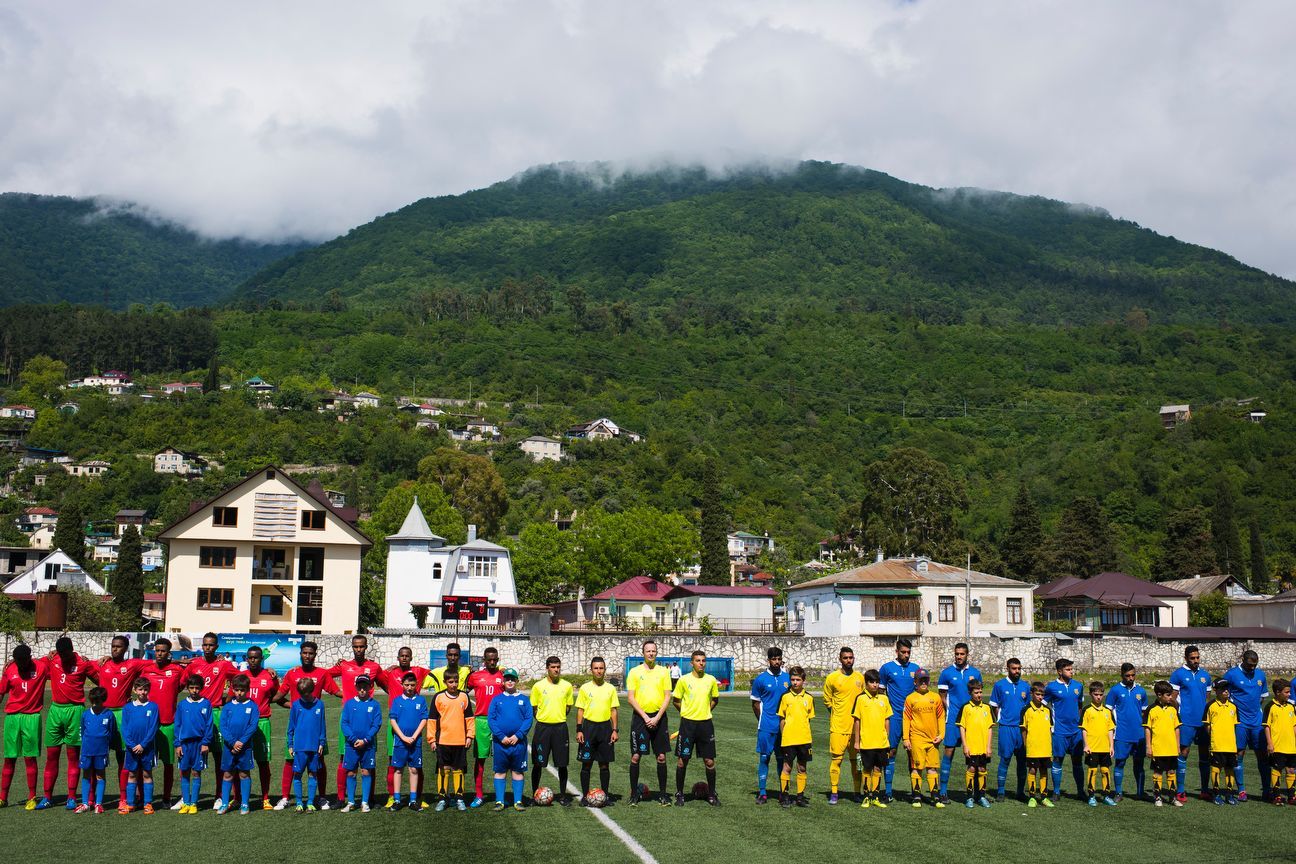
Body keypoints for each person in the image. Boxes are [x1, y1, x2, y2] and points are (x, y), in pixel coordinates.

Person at [274, 641, 340, 809]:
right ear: (300, 653)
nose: (307, 656)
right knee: (290, 761)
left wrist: (355, 698)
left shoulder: (322, 674)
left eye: (311, 653)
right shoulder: (292, 673)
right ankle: (285, 797)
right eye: (305, 653)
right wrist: (262, 700)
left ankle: (322, 797)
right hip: (298, 726)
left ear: (315, 655)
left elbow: (336, 692)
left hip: (315, 726)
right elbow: (280, 695)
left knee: (320, 761)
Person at [41, 636, 98, 810]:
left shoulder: (83, 663)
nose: (63, 657)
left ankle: (72, 797)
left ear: (71, 650)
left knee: (73, 757)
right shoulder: (52, 660)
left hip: (75, 711)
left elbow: (103, 679)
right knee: (51, 756)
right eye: (61, 653)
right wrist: (12, 660)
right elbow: (31, 663)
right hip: (55, 711)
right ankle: (47, 797)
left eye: (66, 653)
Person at [182, 631, 238, 809]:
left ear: (217, 647)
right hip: (194, 715)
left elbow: (240, 679)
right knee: (189, 755)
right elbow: (181, 681)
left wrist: (227, 699)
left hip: (214, 712)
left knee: (219, 756)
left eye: (211, 645)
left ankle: (220, 795)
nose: (207, 648)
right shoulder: (194, 664)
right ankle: (187, 797)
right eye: (205, 645)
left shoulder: (223, 665)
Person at [328, 635, 383, 806]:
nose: (358, 650)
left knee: (369, 761)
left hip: (368, 721)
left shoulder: (374, 667)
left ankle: (369, 798)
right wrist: (338, 693)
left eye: (361, 647)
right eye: (355, 647)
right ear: (352, 647)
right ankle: (341, 797)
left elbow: (388, 682)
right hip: (349, 720)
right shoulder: (344, 665)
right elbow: (324, 675)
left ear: (366, 647)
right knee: (343, 758)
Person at [95, 635, 150, 808]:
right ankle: (93, 800)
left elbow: (156, 663)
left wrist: (188, 660)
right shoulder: (102, 664)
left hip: (121, 714)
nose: (114, 649)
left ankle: (124, 798)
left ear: (125, 649)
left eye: (118, 647)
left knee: (123, 758)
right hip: (102, 714)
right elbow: (82, 663)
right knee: (96, 757)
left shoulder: (132, 664)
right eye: (113, 646)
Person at [380, 646, 430, 809]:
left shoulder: (418, 672)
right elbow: (376, 678)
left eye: (407, 656)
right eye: (401, 655)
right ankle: (393, 797)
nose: (404, 658)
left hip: (415, 734)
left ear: (411, 657)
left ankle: (416, 797)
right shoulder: (390, 674)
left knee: (415, 767)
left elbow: (435, 673)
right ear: (397, 657)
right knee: (394, 763)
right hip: (397, 729)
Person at [1, 644, 49, 809]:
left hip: (32, 718)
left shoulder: (41, 666)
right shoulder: (10, 669)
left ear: (30, 657)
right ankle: (2, 797)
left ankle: (31, 797)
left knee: (30, 758)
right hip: (12, 718)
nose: (21, 664)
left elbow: (58, 659)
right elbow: (2, 692)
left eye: (24, 660)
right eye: (18, 661)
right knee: (9, 759)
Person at [140, 637, 186, 809]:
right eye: (157, 650)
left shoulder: (176, 670)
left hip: (169, 724)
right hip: (148, 725)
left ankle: (167, 797)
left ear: (169, 653)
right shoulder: (147, 670)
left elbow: (182, 685)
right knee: (145, 763)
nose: (159, 653)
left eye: (163, 651)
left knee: (169, 764)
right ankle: (144, 798)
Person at [626, 639, 673, 806]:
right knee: (636, 757)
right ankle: (633, 794)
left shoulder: (664, 672)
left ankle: (662, 795)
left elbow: (668, 696)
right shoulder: (634, 672)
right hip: (640, 719)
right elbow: (631, 697)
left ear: (656, 653)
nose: (651, 653)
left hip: (659, 719)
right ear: (643, 653)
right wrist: (646, 717)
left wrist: (657, 717)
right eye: (648, 651)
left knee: (661, 757)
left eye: (653, 651)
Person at [672, 650, 721, 806]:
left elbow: (715, 699)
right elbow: (676, 700)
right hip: (687, 725)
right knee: (682, 761)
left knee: (709, 761)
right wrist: (686, 713)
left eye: (703, 660)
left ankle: (712, 794)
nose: (701, 663)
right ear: (691, 663)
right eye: (698, 660)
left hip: (705, 725)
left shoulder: (711, 680)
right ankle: (679, 794)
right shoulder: (683, 680)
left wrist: (705, 711)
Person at [937, 642, 982, 804]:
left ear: (967, 654)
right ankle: (942, 791)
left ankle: (975, 793)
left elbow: (978, 693)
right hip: (953, 720)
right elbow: (942, 696)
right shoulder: (946, 673)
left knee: (973, 757)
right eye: (957, 653)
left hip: (971, 722)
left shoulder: (975, 673)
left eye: (962, 654)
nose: (959, 656)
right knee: (948, 752)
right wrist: (951, 711)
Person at [1222, 649, 1270, 801]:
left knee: (1262, 756)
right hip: (1240, 723)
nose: (1252, 668)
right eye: (1250, 665)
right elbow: (1224, 695)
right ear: (1243, 659)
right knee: (1238, 755)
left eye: (1255, 665)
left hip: (1257, 723)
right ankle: (1241, 790)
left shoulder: (1260, 675)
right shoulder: (1231, 674)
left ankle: (1267, 790)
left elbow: (1262, 698)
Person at [1168, 644, 1212, 802]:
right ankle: (1180, 790)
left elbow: (1207, 698)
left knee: (1204, 756)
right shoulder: (1178, 674)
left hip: (1202, 723)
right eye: (1192, 658)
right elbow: (1172, 698)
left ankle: (1205, 790)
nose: (1196, 660)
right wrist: (1180, 714)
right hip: (1186, 722)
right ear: (1186, 658)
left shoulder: (1205, 676)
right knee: (1183, 753)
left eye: (1197, 657)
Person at [879, 639, 920, 801]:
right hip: (894, 717)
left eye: (908, 652)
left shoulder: (916, 669)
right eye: (903, 652)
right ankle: (888, 791)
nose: (906, 655)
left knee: (913, 753)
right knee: (891, 751)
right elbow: (881, 693)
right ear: (897, 652)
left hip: (912, 718)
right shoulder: (887, 668)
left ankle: (915, 792)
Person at [822, 646, 865, 805]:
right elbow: (827, 701)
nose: (849, 660)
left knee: (857, 762)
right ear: (840, 659)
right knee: (836, 761)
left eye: (851, 657)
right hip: (838, 728)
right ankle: (834, 792)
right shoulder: (832, 678)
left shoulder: (860, 678)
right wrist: (838, 715)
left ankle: (857, 792)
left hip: (857, 729)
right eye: (845, 658)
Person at [530, 655, 575, 804]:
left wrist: (557, 717)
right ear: (547, 668)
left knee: (562, 763)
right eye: (553, 667)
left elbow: (568, 707)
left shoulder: (567, 686)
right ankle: (534, 794)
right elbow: (534, 708)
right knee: (538, 763)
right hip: (543, 728)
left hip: (560, 728)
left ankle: (562, 795)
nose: (556, 670)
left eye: (558, 667)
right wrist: (545, 718)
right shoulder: (538, 686)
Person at [576, 656, 619, 805]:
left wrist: (615, 730)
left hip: (605, 729)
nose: (598, 671)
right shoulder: (585, 688)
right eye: (596, 668)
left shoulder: (610, 688)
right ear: (591, 670)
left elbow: (613, 710)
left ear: (604, 670)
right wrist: (579, 730)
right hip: (588, 728)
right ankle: (585, 796)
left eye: (601, 668)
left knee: (604, 764)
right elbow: (580, 710)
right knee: (586, 763)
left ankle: (605, 796)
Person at [487, 668, 531, 811]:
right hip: (501, 743)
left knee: (517, 771)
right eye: (507, 679)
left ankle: (517, 801)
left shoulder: (524, 700)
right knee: (500, 771)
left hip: (518, 743)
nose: (510, 681)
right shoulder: (497, 699)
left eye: (513, 679)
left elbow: (528, 719)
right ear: (503, 682)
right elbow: (491, 719)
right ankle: (499, 801)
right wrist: (501, 736)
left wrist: (517, 736)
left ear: (517, 681)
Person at [241, 645, 279, 810]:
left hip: (262, 723)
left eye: (256, 657)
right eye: (250, 657)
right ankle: (239, 798)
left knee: (263, 763)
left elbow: (278, 694)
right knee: (240, 763)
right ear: (247, 658)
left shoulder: (269, 676)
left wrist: (289, 704)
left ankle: (265, 798)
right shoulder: (241, 677)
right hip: (242, 724)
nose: (253, 660)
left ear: (261, 659)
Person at [466, 646, 505, 807]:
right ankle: (479, 795)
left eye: (495, 659)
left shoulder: (503, 676)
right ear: (484, 660)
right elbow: (463, 694)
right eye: (489, 659)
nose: (492, 662)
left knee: (500, 760)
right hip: (481, 721)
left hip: (499, 722)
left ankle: (500, 797)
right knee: (480, 760)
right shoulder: (475, 676)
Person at [430, 667, 473, 811]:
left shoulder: (464, 697)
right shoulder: (438, 697)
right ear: (445, 682)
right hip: (443, 740)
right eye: (450, 682)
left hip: (460, 740)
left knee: (458, 768)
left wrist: (469, 736)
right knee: (444, 768)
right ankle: (442, 798)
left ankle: (459, 797)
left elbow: (469, 718)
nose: (454, 685)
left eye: (456, 682)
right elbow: (432, 720)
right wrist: (431, 739)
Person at [750, 646, 789, 804]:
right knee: (765, 758)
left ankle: (782, 792)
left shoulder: (788, 678)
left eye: (779, 659)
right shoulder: (760, 679)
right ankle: (763, 792)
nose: (777, 662)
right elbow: (755, 703)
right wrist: (762, 720)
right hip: (766, 725)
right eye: (774, 659)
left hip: (784, 726)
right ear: (769, 660)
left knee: (782, 759)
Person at [990, 657, 1031, 802]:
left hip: (1021, 729)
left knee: (1022, 761)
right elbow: (994, 705)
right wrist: (1001, 719)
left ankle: (1020, 792)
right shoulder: (999, 685)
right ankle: (1001, 792)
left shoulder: (1025, 686)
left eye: (1019, 669)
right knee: (1005, 760)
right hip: (1006, 728)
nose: (1017, 671)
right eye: (1014, 669)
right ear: (1008, 668)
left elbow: (1028, 708)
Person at [1105, 662, 1148, 801]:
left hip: (1139, 735)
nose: (1131, 678)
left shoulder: (1141, 691)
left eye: (1133, 675)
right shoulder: (1115, 690)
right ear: (1122, 675)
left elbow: (1144, 713)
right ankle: (1118, 792)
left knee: (1139, 764)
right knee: (1120, 763)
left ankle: (1140, 792)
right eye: (1127, 675)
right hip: (1122, 734)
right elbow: (1108, 711)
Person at [340, 674, 382, 812]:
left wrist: (365, 740)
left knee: (366, 772)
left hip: (368, 745)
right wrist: (353, 739)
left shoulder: (374, 705)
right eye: (360, 686)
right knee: (351, 773)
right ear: (356, 687)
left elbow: (376, 725)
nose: (362, 689)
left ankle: (364, 802)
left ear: (370, 687)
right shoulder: (349, 704)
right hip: (351, 745)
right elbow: (344, 723)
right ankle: (351, 802)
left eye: (365, 686)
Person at [1044, 658, 1085, 801]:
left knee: (1077, 761)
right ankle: (1056, 792)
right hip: (1059, 731)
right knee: (1057, 760)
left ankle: (1081, 791)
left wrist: (1079, 724)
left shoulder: (1078, 686)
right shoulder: (1051, 687)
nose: (1071, 671)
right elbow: (1043, 706)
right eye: (1068, 669)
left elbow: (1080, 705)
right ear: (1059, 671)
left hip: (1075, 731)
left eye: (1071, 669)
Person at [901, 671, 944, 807]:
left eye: (926, 680)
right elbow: (906, 719)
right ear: (915, 682)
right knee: (916, 767)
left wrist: (941, 734)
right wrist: (906, 738)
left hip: (932, 739)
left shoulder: (936, 697)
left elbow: (941, 717)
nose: (924, 682)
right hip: (916, 738)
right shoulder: (910, 699)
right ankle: (917, 796)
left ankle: (935, 797)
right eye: (921, 680)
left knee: (932, 768)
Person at [218, 674, 258, 815]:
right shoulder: (228, 707)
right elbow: (222, 726)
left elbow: (253, 726)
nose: (239, 693)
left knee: (244, 774)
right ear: (232, 690)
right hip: (229, 747)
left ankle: (245, 804)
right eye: (236, 690)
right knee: (227, 775)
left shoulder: (252, 706)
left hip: (245, 747)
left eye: (242, 690)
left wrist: (241, 742)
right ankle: (224, 804)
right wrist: (233, 742)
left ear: (247, 689)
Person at [174, 673, 214, 814]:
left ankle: (194, 803)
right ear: (188, 688)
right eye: (191, 688)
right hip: (184, 744)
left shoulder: (206, 703)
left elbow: (209, 725)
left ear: (201, 688)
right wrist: (177, 744)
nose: (194, 690)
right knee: (184, 773)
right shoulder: (182, 704)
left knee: (196, 772)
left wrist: (205, 743)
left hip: (199, 744)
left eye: (197, 688)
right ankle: (186, 802)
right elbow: (177, 725)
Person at [851, 668, 892, 808]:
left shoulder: (884, 699)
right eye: (871, 682)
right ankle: (867, 796)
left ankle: (875, 796)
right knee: (866, 769)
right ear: (866, 683)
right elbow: (857, 721)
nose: (874, 685)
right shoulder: (861, 699)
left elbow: (887, 720)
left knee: (878, 769)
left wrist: (887, 737)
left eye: (877, 682)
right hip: (866, 742)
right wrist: (856, 741)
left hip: (881, 742)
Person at [388, 672, 428, 811]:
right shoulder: (397, 701)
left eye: (412, 685)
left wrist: (414, 736)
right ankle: (397, 800)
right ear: (402, 685)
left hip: (415, 741)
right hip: (400, 741)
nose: (409, 688)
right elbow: (393, 720)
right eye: (407, 685)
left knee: (414, 769)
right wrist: (403, 737)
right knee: (398, 769)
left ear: (416, 684)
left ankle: (412, 800)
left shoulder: (421, 700)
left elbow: (424, 719)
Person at [286, 677, 327, 812]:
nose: (305, 696)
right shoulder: (296, 706)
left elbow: (322, 726)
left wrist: (322, 742)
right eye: (302, 694)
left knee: (312, 774)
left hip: (314, 747)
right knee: (297, 774)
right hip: (299, 747)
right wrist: (290, 744)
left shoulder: (319, 705)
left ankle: (310, 802)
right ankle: (299, 802)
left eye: (307, 693)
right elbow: (291, 727)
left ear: (312, 690)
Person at [120, 677, 160, 814]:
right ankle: (130, 804)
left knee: (147, 774)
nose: (143, 692)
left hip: (147, 748)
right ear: (135, 690)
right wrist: (132, 745)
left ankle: (148, 803)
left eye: (145, 689)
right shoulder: (128, 707)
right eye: (140, 689)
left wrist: (142, 744)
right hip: (131, 749)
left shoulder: (153, 707)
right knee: (132, 774)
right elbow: (124, 728)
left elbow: (153, 727)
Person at [777, 665, 814, 808]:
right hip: (789, 739)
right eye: (792, 679)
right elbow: (782, 719)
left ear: (803, 680)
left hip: (804, 739)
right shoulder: (785, 697)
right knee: (787, 767)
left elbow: (808, 718)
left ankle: (800, 797)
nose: (795, 682)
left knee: (802, 768)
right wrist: (784, 735)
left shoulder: (809, 698)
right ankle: (785, 796)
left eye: (798, 679)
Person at [75, 686, 114, 814]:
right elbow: (82, 730)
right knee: (86, 775)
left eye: (98, 701)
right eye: (94, 701)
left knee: (100, 775)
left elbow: (112, 731)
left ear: (103, 700)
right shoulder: (85, 714)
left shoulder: (108, 714)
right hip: (87, 751)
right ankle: (85, 803)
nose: (96, 704)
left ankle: (98, 804)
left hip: (101, 751)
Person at [1145, 681, 1181, 807]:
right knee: (1158, 773)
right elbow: (1148, 729)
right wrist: (1148, 746)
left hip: (1171, 748)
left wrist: (1177, 745)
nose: (1171, 697)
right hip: (1158, 748)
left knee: (1171, 772)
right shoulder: (1151, 709)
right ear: (1159, 695)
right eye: (1168, 695)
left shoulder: (1173, 709)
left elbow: (1177, 728)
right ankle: (1158, 797)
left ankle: (1173, 798)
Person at [1080, 681, 1116, 806]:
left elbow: (1110, 729)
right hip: (1092, 748)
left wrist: (1111, 746)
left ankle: (1106, 795)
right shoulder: (1087, 710)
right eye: (1096, 694)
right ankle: (1091, 796)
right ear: (1090, 694)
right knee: (1093, 771)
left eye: (1101, 694)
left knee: (1106, 770)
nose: (1099, 697)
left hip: (1105, 748)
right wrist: (1086, 745)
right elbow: (1084, 729)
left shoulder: (1107, 711)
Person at [1205, 679, 1240, 805]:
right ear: (1216, 691)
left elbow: (1234, 726)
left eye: (1227, 688)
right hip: (1217, 745)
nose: (1226, 691)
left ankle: (1229, 794)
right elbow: (1207, 726)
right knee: (1216, 769)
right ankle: (1216, 793)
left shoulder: (1233, 707)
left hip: (1230, 745)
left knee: (1230, 769)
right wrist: (1214, 738)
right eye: (1223, 689)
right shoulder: (1211, 706)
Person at [1022, 682, 1055, 808]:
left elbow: (1049, 730)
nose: (1040, 697)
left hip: (1045, 748)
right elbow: (1023, 730)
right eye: (1037, 694)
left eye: (1042, 695)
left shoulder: (1047, 710)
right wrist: (1026, 745)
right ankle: (1032, 797)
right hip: (1032, 748)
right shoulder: (1026, 710)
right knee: (1032, 770)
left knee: (1044, 771)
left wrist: (1050, 746)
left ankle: (1044, 797)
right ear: (1031, 694)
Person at [1264, 678, 1296, 805]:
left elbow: (1294, 725)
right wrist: (1269, 743)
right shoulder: (1270, 707)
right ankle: (1276, 796)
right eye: (1287, 692)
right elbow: (1267, 726)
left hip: (1291, 746)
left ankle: (1291, 796)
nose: (1289, 694)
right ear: (1278, 692)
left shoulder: (1291, 707)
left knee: (1291, 770)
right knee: (1277, 770)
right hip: (1277, 746)